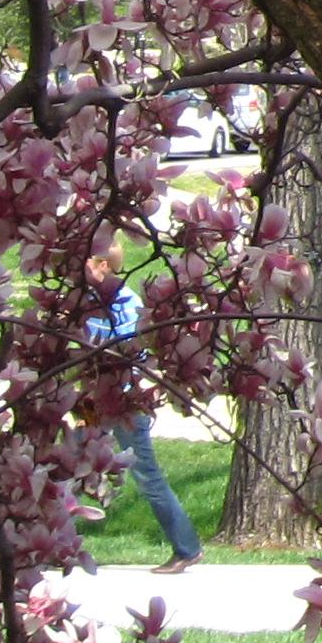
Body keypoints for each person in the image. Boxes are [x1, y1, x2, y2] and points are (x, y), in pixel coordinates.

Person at [84, 243, 202, 576]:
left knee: (147, 476)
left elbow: (129, 352)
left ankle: (187, 549)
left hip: (125, 403)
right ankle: (47, 544)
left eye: (86, 263)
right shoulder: (86, 302)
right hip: (95, 400)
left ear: (103, 266)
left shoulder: (127, 304)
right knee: (64, 465)